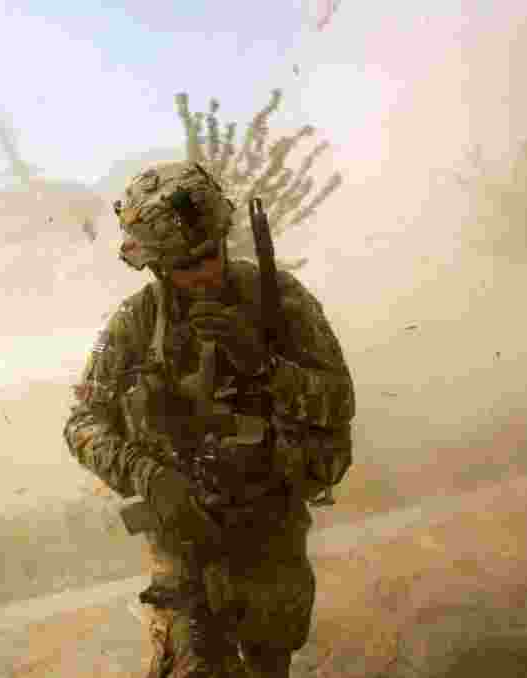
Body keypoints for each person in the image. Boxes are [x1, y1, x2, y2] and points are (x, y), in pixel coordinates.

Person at [63, 161, 355, 677]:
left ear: (222, 238)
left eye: (208, 255)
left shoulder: (279, 299)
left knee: (268, 663)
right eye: (184, 264)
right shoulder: (135, 323)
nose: (204, 272)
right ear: (155, 266)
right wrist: (149, 476)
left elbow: (337, 402)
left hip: (269, 533)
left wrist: (264, 366)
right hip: (184, 540)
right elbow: (83, 425)